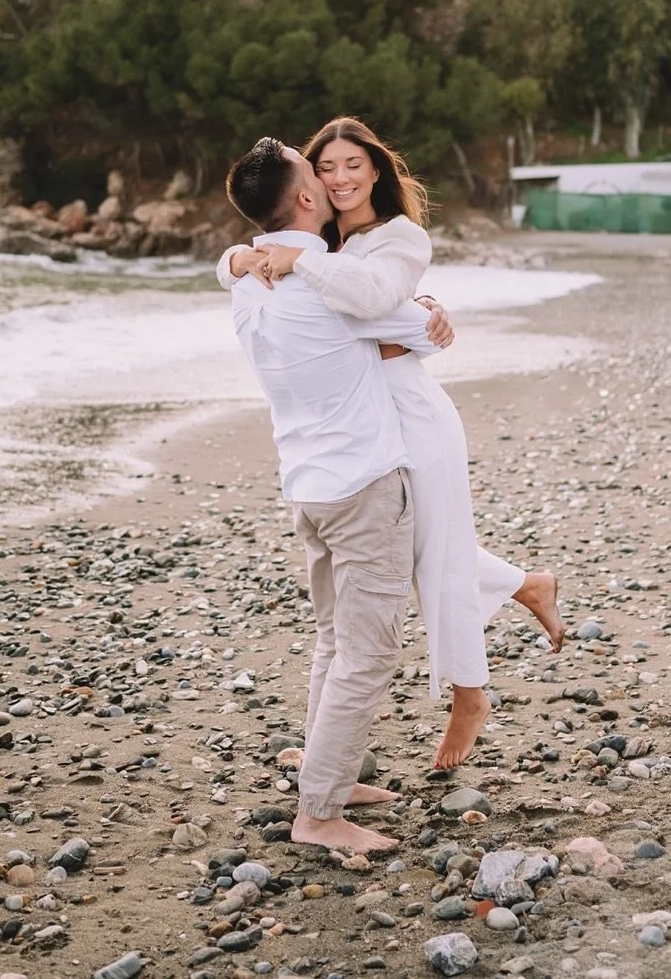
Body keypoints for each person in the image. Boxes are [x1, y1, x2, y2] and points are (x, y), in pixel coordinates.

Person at [218, 116, 564, 770]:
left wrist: (317, 274)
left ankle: (470, 694)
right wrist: (242, 257)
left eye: (355, 164)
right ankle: (527, 585)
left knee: (434, 559)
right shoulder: (316, 238)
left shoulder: (398, 237)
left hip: (410, 411)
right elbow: (251, 261)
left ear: (376, 170)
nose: (341, 176)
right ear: (309, 187)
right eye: (327, 167)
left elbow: (393, 310)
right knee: (419, 554)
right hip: (360, 419)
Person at [226, 135, 451, 854]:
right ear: (304, 198)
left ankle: (332, 774)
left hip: (307, 486)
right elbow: (422, 331)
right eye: (314, 170)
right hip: (361, 486)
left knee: (334, 639)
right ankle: (319, 814)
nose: (329, 178)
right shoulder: (323, 286)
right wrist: (428, 309)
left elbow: (230, 262)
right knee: (368, 652)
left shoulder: (247, 279)